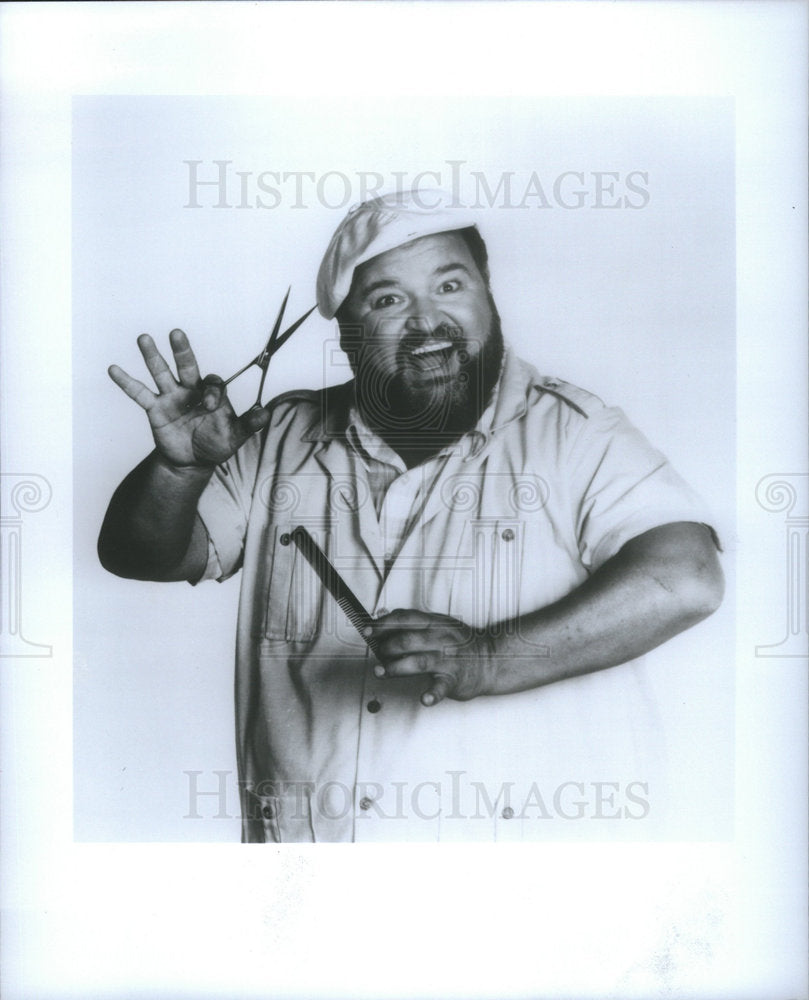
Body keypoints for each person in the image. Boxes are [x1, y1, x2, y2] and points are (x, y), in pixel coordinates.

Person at [98, 190, 724, 843]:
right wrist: (178, 471)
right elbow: (143, 555)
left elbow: (685, 579)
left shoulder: (574, 430)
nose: (428, 321)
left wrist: (488, 659)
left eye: (449, 284)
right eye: (387, 300)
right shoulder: (277, 437)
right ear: (345, 334)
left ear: (488, 296)